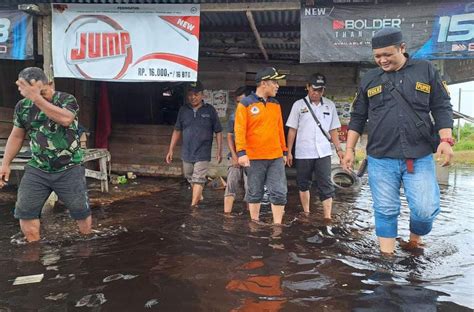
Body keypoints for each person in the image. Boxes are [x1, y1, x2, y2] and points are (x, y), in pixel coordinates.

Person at [342, 27, 454, 254]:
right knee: (385, 209)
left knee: (424, 210)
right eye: (377, 56)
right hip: (380, 157)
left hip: (418, 154)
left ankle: (414, 240)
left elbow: (441, 106)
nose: (382, 60)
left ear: (402, 48)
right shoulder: (370, 79)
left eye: (387, 54)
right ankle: (387, 259)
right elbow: (357, 116)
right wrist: (349, 149)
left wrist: (445, 139)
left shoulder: (425, 70)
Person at [0, 67, 91, 242]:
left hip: (69, 167)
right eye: (30, 93)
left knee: (80, 211)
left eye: (43, 91)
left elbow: (66, 119)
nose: (38, 96)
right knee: (25, 211)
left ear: (50, 84)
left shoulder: (66, 99)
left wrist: (36, 98)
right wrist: (5, 163)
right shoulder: (22, 107)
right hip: (38, 168)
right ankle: (33, 254)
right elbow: (17, 135)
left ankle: (86, 249)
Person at [234, 67, 288, 224]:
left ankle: (277, 226)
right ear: (264, 83)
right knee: (255, 192)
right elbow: (239, 130)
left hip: (275, 157)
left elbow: (280, 130)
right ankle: (255, 224)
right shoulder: (245, 104)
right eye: (275, 82)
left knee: (279, 192)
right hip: (254, 157)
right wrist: (241, 153)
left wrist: (284, 152)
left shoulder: (275, 104)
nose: (277, 85)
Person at [286, 73, 344, 220]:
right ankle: (306, 212)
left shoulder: (329, 105)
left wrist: (339, 149)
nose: (316, 93)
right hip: (303, 152)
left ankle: (327, 217)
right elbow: (292, 129)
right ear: (307, 87)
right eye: (314, 89)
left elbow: (333, 130)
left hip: (323, 152)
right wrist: (288, 152)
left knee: (326, 184)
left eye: (320, 90)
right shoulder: (298, 105)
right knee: (303, 183)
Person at [166, 81, 223, 208]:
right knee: (189, 175)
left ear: (202, 95)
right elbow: (177, 130)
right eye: (190, 94)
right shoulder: (183, 110)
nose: (193, 97)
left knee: (198, 178)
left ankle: (193, 207)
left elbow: (218, 131)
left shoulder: (210, 110)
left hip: (203, 152)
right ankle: (198, 195)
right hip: (187, 151)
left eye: (196, 94)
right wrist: (171, 150)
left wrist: (219, 151)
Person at [224, 86, 248, 214]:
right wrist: (234, 155)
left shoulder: (254, 115)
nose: (240, 104)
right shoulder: (233, 116)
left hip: (251, 157)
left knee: (250, 187)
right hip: (235, 156)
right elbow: (229, 136)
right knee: (231, 184)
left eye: (242, 101)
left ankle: (251, 216)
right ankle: (227, 215)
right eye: (238, 102)